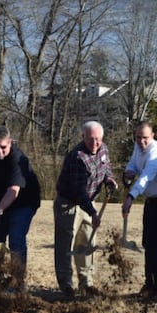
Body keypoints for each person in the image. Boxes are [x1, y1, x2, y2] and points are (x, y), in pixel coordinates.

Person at [54, 121, 118, 298]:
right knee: (66, 245)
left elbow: (107, 170)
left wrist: (110, 180)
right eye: (90, 139)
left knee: (87, 242)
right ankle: (66, 284)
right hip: (69, 204)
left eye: (97, 139)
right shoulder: (77, 157)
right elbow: (79, 191)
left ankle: (86, 283)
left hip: (89, 202)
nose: (95, 143)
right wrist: (93, 213)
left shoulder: (103, 149)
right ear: (83, 137)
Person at [0, 126, 41, 289]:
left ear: (10, 143)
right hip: (0, 197)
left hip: (24, 201)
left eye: (3, 147)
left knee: (16, 237)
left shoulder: (18, 159)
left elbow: (14, 191)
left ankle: (17, 280)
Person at [121, 121, 157, 303]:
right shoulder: (138, 148)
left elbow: (145, 178)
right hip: (151, 200)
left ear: (152, 136)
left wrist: (130, 196)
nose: (141, 141)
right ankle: (149, 285)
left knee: (154, 244)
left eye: (145, 138)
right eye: (138, 137)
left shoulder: (156, 154)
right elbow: (134, 164)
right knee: (147, 242)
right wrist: (129, 171)